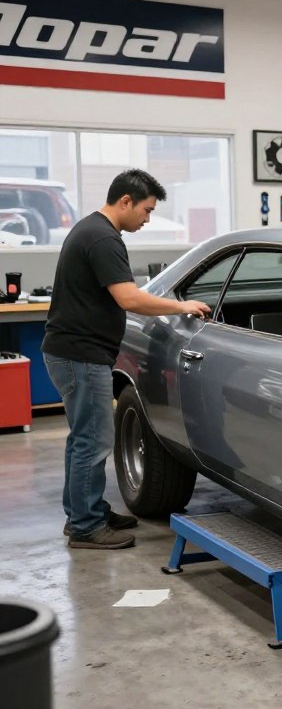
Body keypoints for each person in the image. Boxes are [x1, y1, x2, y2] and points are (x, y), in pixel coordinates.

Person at [42, 169, 210, 550]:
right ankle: (86, 527)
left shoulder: (92, 230)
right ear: (125, 202)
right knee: (93, 439)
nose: (147, 219)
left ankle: (85, 512)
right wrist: (180, 305)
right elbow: (130, 299)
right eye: (146, 211)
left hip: (72, 353)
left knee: (83, 438)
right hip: (81, 356)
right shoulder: (102, 237)